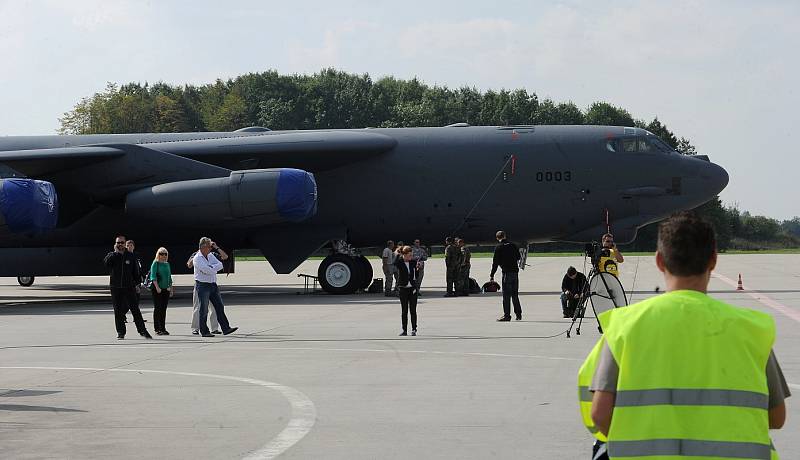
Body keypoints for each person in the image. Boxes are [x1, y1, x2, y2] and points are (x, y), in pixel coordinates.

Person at [579, 212, 789, 460]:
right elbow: (777, 417)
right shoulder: (752, 328)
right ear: (713, 260)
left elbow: (600, 415)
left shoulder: (624, 326)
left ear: (659, 261)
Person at [104, 235, 152, 340]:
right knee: (118, 311)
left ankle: (142, 331)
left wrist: (137, 284)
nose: (120, 244)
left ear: (125, 243)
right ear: (115, 244)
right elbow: (107, 264)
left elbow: (136, 272)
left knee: (135, 309)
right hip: (116, 287)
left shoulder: (130, 256)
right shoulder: (112, 255)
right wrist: (115, 253)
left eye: (121, 242)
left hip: (129, 287)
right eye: (118, 243)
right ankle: (121, 332)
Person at [193, 237, 238, 337]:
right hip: (203, 285)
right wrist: (213, 268)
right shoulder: (197, 258)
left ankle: (226, 328)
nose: (211, 249)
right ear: (203, 247)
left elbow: (220, 264)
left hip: (213, 285)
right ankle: (204, 331)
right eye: (209, 247)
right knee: (203, 309)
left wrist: (211, 268)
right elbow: (207, 270)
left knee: (219, 306)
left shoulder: (210, 255)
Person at [188, 246, 225, 335]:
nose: (210, 249)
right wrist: (197, 254)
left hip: (211, 284)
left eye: (211, 247)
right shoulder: (197, 255)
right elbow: (189, 265)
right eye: (208, 247)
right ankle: (195, 328)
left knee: (214, 307)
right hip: (200, 285)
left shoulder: (212, 255)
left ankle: (214, 328)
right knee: (198, 307)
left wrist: (217, 247)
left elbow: (224, 257)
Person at [490, 230, 522, 321]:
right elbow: (518, 257)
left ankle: (507, 315)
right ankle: (518, 314)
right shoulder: (513, 245)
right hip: (515, 273)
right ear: (505, 236)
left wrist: (492, 274)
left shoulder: (498, 247)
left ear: (497, 238)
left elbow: (495, 263)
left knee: (506, 296)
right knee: (515, 295)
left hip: (507, 273)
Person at [393, 245, 420, 336]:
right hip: (403, 288)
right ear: (404, 255)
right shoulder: (400, 262)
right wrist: (398, 253)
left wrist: (418, 268)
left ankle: (414, 329)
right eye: (408, 255)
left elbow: (416, 275)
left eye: (411, 255)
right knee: (404, 310)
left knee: (413, 310)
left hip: (412, 288)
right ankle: (404, 330)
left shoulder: (413, 262)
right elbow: (395, 262)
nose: (410, 257)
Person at [149, 247, 173, 335]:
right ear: (158, 254)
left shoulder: (167, 264)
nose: (163, 255)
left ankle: (163, 328)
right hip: (157, 289)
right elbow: (153, 276)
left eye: (165, 254)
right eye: (161, 254)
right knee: (157, 308)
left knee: (163, 309)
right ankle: (157, 328)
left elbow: (169, 277)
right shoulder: (156, 263)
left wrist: (171, 288)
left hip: (166, 289)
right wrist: (157, 287)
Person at [124, 239, 147, 324]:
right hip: (129, 282)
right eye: (128, 245)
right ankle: (122, 315)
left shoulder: (137, 256)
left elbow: (140, 268)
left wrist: (144, 277)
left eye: (131, 245)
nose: (129, 247)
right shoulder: (124, 256)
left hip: (137, 281)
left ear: (134, 246)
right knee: (128, 300)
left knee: (136, 300)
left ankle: (136, 317)